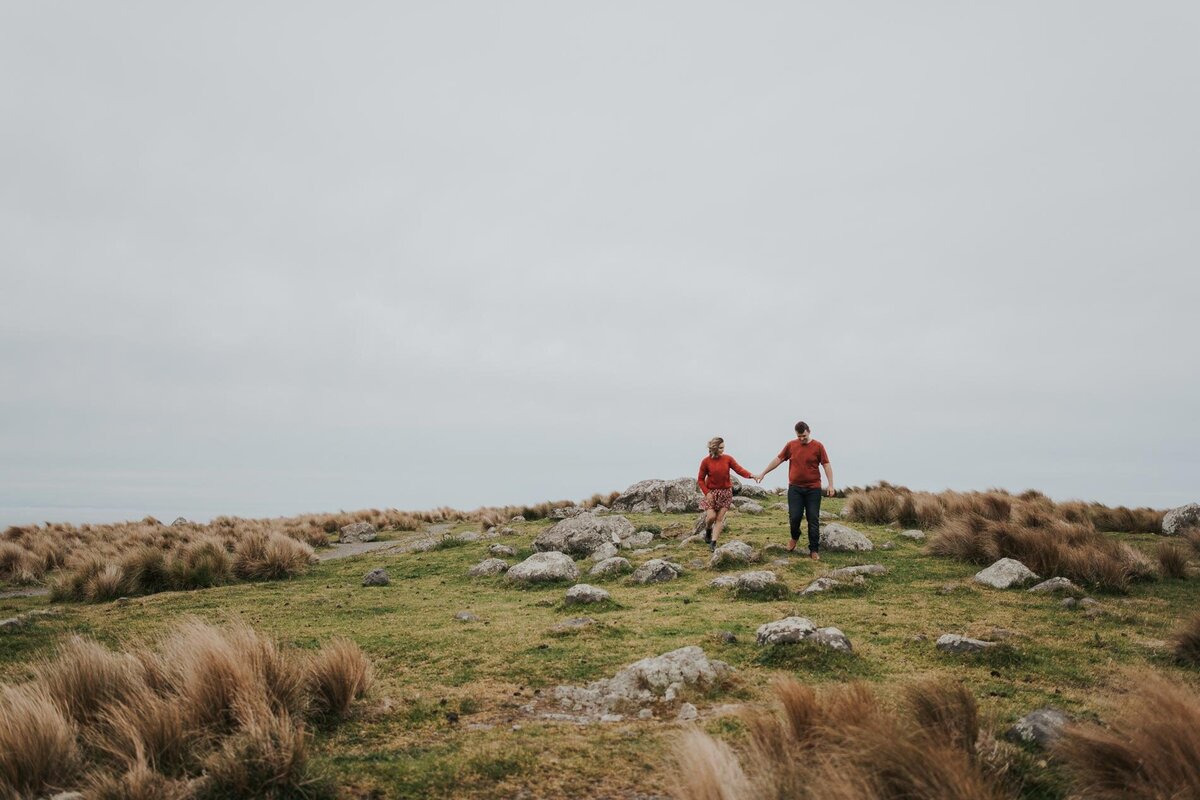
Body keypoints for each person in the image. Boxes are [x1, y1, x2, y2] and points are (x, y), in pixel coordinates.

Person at [756, 421, 834, 560]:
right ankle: (794, 536)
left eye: (804, 436)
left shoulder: (818, 446)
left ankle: (814, 549)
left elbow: (826, 464)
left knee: (813, 519)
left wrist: (830, 485)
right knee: (795, 517)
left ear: (809, 431)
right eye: (799, 436)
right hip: (795, 489)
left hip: (813, 489)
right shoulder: (791, 445)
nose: (802, 439)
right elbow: (778, 459)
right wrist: (763, 473)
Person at [697, 437, 754, 552]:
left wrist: (751, 475)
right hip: (711, 494)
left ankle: (713, 543)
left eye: (723, 447)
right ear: (715, 448)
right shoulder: (706, 462)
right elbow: (700, 480)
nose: (723, 450)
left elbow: (739, 469)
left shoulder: (728, 459)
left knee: (719, 519)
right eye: (721, 448)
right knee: (711, 517)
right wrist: (707, 493)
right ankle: (708, 529)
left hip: (726, 493)